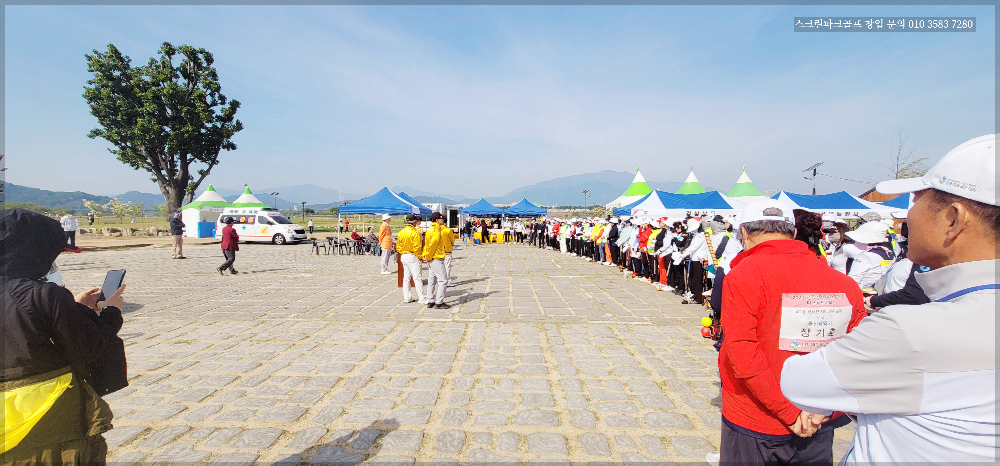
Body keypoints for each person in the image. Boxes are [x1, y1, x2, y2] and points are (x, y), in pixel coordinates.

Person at [781, 134, 998, 464]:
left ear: (954, 219)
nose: (908, 218)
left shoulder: (911, 329)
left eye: (916, 201)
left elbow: (799, 381)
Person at [718, 199, 867, 465]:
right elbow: (858, 352)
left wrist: (789, 412)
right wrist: (823, 410)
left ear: (743, 233)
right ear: (793, 232)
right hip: (818, 417)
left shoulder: (743, 276)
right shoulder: (844, 283)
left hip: (757, 417)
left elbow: (742, 353)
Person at [1, 208, 125, 464]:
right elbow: (87, 347)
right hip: (49, 419)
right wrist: (111, 312)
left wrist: (75, 308)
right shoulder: (44, 294)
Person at [843, 222, 895, 288]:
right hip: (880, 291)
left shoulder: (865, 257)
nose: (855, 242)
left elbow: (851, 282)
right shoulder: (889, 253)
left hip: (863, 292)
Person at [396, 214, 427, 304]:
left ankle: (407, 297)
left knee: (406, 278)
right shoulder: (415, 232)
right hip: (413, 256)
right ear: (414, 222)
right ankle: (421, 298)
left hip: (404, 255)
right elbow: (417, 247)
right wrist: (420, 257)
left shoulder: (401, 232)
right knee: (417, 278)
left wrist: (404, 251)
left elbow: (398, 246)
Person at [422, 212, 451, 309]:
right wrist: (429, 257)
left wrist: (425, 255)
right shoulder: (436, 231)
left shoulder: (430, 229)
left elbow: (426, 245)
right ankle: (439, 301)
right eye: (442, 219)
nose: (443, 220)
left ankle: (430, 300)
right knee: (443, 280)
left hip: (432, 258)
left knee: (432, 280)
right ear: (437, 220)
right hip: (436, 257)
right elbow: (432, 245)